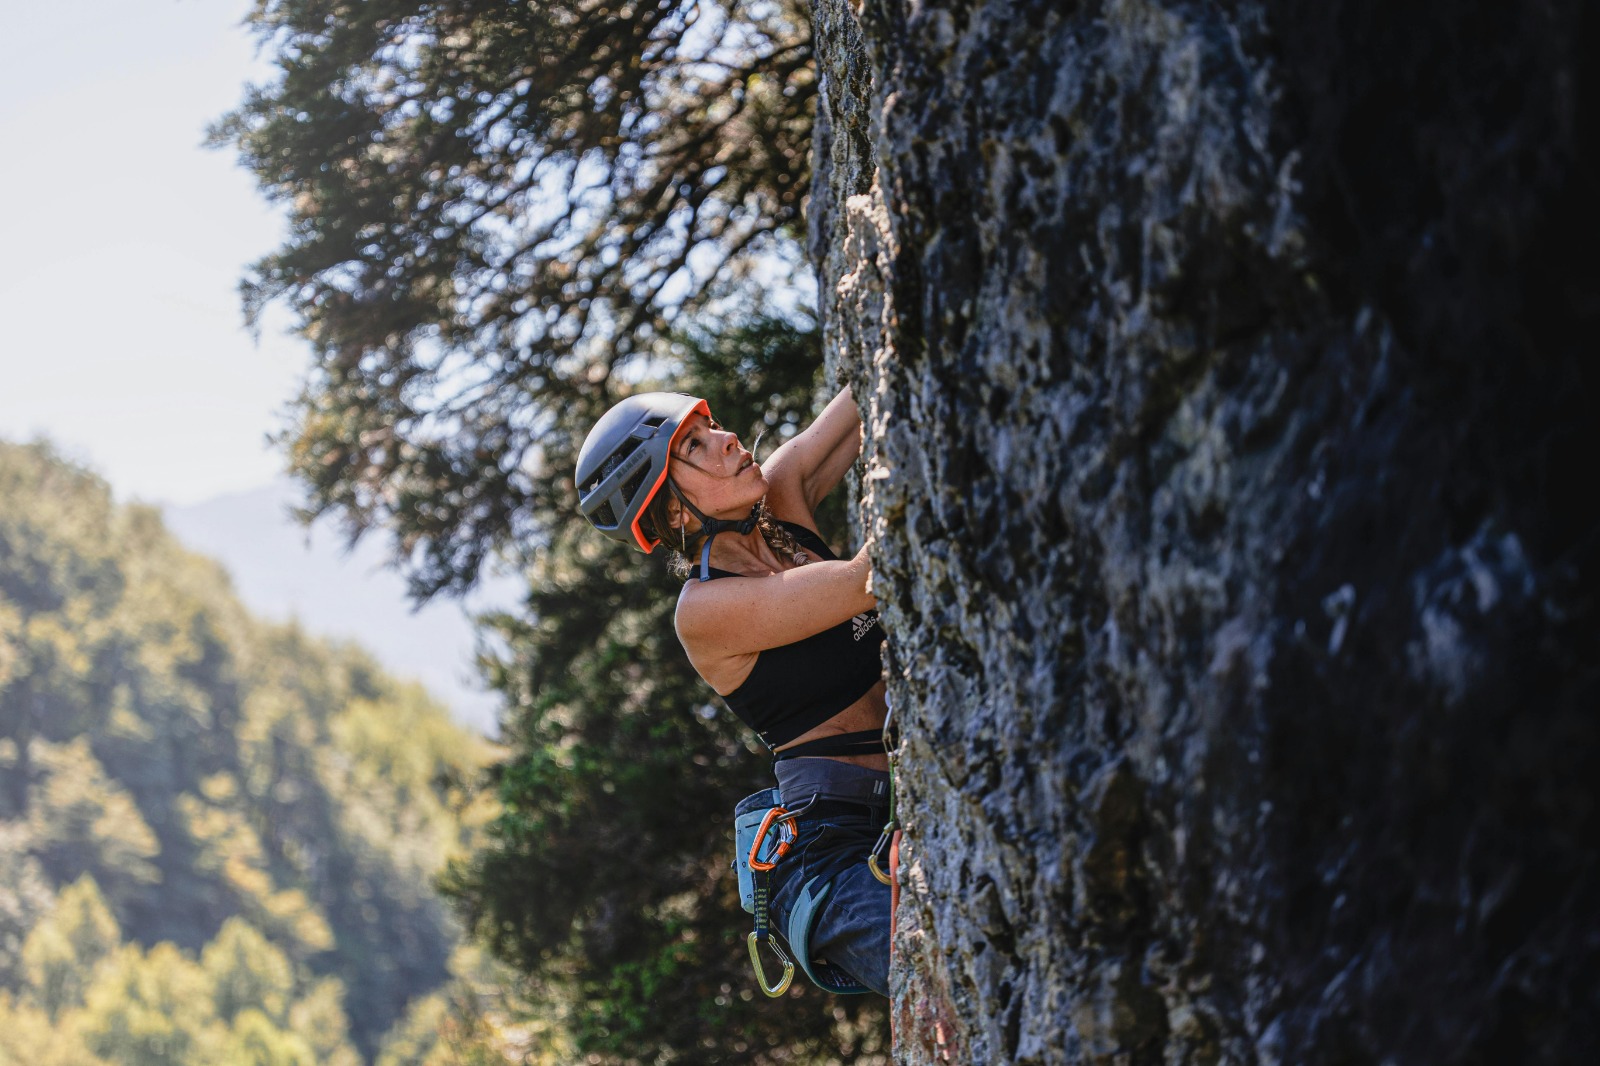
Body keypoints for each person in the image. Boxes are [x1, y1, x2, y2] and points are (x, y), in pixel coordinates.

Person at [575, 386, 892, 996]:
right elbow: (870, 579)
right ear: (673, 513)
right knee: (946, 963)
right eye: (695, 445)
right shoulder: (706, 612)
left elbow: (876, 382)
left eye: (712, 426)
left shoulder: (780, 503)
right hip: (827, 855)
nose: (727, 439)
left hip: (893, 809)